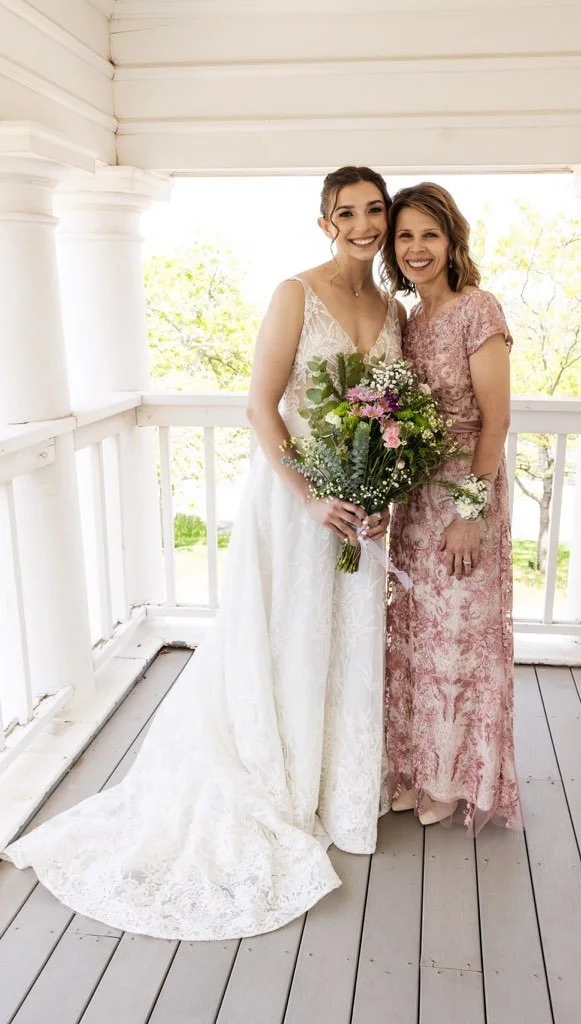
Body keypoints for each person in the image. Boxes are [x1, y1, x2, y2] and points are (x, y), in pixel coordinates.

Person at [1, 166, 404, 940]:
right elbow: (259, 406)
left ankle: (336, 787)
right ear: (324, 223)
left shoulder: (389, 306)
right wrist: (311, 496)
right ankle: (273, 775)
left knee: (346, 638)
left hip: (361, 500)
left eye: (374, 210)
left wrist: (379, 490)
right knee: (282, 632)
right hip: (298, 500)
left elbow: (390, 416)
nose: (364, 224)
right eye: (346, 212)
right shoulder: (297, 291)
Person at [382, 182, 523, 835]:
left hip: (464, 496)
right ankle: (415, 770)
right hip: (414, 501)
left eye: (428, 235)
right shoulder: (409, 320)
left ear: (450, 241)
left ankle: (452, 778)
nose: (415, 248)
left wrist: (470, 511)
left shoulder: (477, 309)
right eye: (404, 235)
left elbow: (494, 422)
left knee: (458, 643)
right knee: (418, 641)